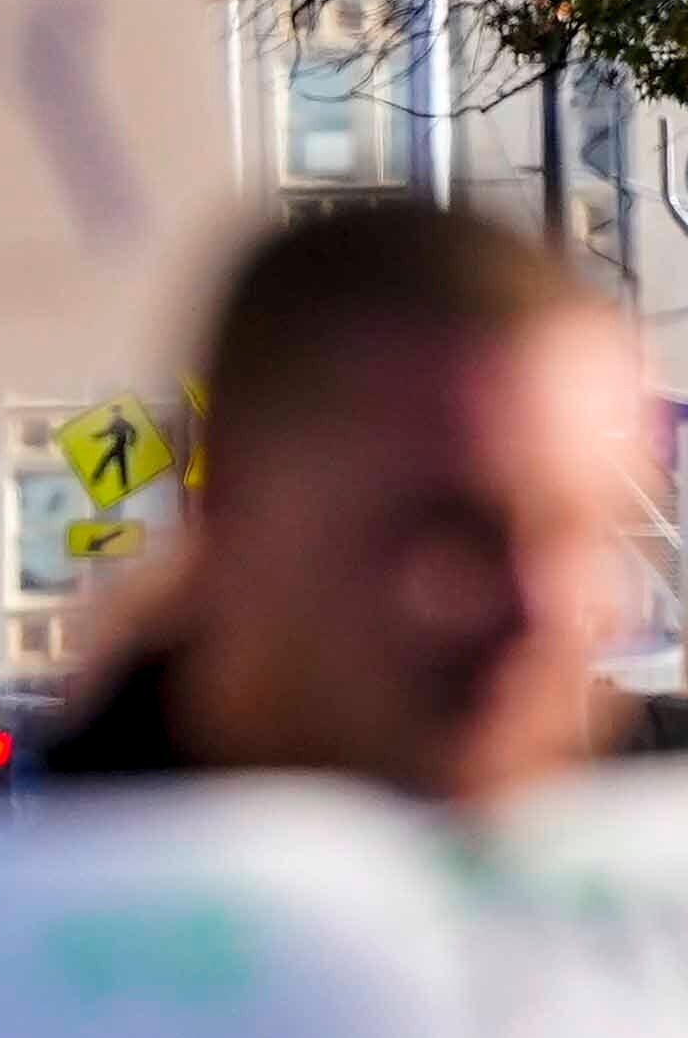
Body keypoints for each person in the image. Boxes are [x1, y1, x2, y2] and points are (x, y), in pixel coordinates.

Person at [40, 202, 648, 806]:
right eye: (453, 531)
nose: (535, 610)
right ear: (227, 496)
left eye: (582, 530)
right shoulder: (41, 895)